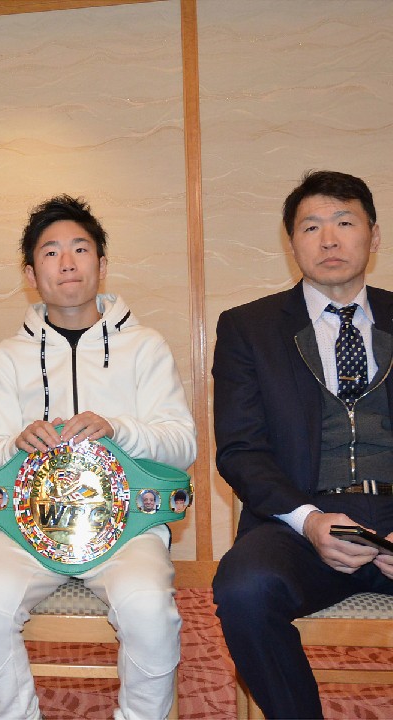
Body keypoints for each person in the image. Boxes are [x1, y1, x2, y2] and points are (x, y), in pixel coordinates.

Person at [0, 194, 196, 720]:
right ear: (30, 273)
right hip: (23, 526)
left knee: (149, 609)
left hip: (127, 525)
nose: (67, 262)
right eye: (50, 252)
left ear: (102, 264)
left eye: (80, 249)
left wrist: (120, 429)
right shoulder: (8, 357)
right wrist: (16, 442)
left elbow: (183, 444)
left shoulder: (146, 347)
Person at [212, 170, 393, 719]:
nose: (329, 239)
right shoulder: (248, 328)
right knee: (244, 590)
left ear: (373, 236)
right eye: (311, 227)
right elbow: (241, 449)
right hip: (298, 519)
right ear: (291, 243)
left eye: (344, 223)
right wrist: (309, 520)